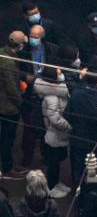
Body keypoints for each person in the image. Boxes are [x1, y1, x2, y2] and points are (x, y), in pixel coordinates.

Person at [18, 25, 59, 167]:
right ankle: (27, 159)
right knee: (28, 129)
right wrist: (25, 76)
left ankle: (46, 157)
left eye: (36, 36)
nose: (33, 39)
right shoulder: (24, 51)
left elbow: (57, 68)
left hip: (47, 93)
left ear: (42, 37)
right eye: (31, 35)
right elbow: (17, 69)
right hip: (30, 94)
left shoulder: (52, 49)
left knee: (47, 127)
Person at [33, 67, 72, 198]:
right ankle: (51, 187)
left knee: (56, 161)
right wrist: (69, 126)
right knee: (53, 164)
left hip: (58, 134)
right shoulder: (52, 97)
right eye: (59, 73)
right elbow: (55, 119)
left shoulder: (56, 93)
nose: (61, 74)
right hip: (55, 134)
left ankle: (55, 183)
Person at [64, 68, 97, 187]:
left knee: (76, 166)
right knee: (88, 168)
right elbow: (96, 119)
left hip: (75, 135)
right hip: (89, 139)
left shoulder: (76, 91)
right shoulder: (96, 96)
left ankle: (76, 187)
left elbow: (66, 113)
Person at [0, 31, 28, 178]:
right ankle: (7, 168)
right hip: (8, 107)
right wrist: (21, 103)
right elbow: (11, 88)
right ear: (19, 45)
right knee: (7, 139)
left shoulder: (3, 53)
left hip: (5, 103)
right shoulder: (8, 62)